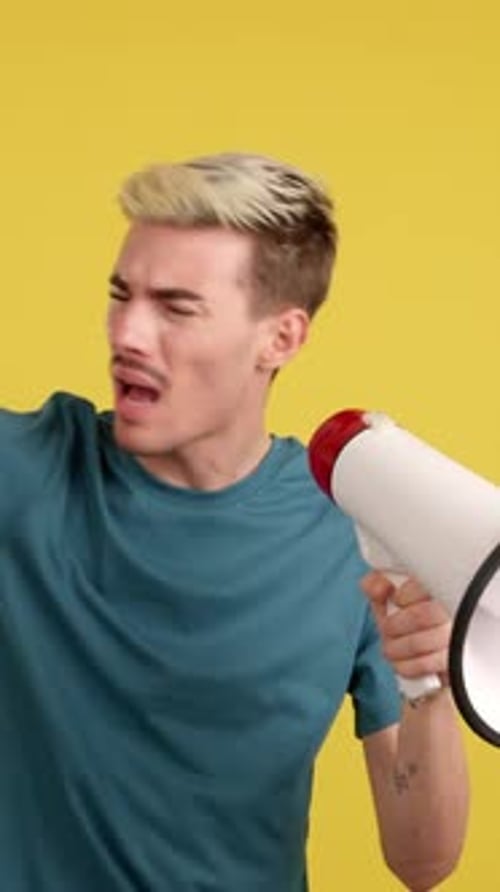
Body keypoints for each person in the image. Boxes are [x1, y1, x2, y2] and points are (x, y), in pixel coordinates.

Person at [0, 152, 468, 892]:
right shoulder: (25, 472)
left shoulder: (352, 527)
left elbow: (422, 862)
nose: (128, 334)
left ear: (280, 338)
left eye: (176, 307)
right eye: (122, 295)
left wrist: (426, 685)